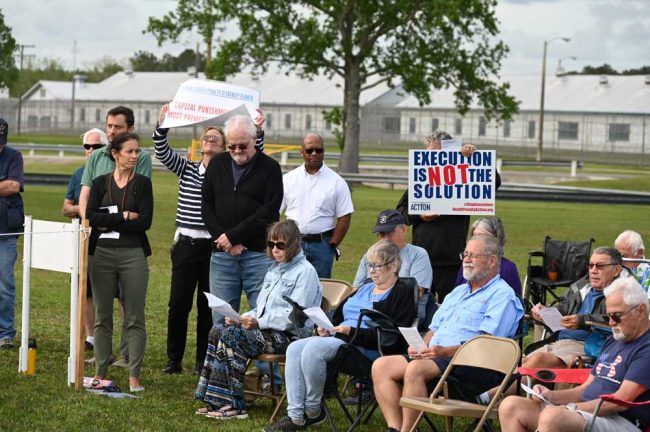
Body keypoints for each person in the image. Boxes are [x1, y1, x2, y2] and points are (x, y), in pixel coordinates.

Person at [372, 235, 524, 432]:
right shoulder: (458, 292)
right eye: (465, 254)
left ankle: (407, 431)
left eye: (473, 255)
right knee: (381, 366)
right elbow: (434, 329)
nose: (466, 260)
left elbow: (486, 345)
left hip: (474, 367)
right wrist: (421, 347)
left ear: (492, 260)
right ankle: (395, 428)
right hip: (437, 358)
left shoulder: (502, 295)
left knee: (416, 369)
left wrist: (443, 352)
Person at [263, 239, 418, 432]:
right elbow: (338, 317)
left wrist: (351, 331)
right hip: (341, 340)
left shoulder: (400, 292)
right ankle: (295, 415)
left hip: (366, 350)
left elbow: (392, 336)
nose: (371, 271)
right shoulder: (364, 288)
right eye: (369, 265)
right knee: (295, 347)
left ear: (394, 265)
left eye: (377, 266)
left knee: (313, 348)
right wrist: (327, 327)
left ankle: (312, 410)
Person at [194, 219, 322, 420]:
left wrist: (258, 323)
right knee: (218, 329)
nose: (275, 250)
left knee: (232, 335)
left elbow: (294, 316)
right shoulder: (274, 270)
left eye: (281, 245)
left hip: (290, 338)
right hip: (266, 332)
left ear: (294, 244)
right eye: (271, 245)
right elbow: (261, 308)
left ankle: (235, 405)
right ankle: (216, 399)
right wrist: (242, 318)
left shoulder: (306, 273)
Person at [498, 277, 650, 432]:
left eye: (616, 316)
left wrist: (570, 408)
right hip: (585, 413)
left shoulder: (646, 347)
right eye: (609, 316)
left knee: (553, 417)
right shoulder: (614, 340)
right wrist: (550, 396)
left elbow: (620, 402)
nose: (610, 323)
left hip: (621, 420)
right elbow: (584, 389)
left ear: (641, 310)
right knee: (511, 406)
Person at [79, 106, 152, 368]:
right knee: (99, 306)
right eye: (109, 126)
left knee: (128, 301)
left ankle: (127, 355)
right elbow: (87, 199)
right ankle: (101, 356)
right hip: (99, 241)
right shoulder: (96, 158)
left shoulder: (138, 159)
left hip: (130, 247)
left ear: (129, 129)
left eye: (117, 127)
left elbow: (140, 208)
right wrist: (88, 225)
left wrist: (110, 216)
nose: (111, 131)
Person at [154, 105, 222, 376]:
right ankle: (174, 360)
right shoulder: (188, 169)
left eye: (215, 137)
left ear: (224, 146)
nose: (209, 139)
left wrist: (259, 131)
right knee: (178, 305)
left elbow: (255, 155)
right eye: (206, 136)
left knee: (207, 307)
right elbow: (162, 151)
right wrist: (163, 123)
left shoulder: (228, 175)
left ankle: (201, 362)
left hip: (213, 249)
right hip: (185, 246)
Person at [396, 130, 501, 303]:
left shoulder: (464, 175)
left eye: (438, 154)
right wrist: (421, 215)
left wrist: (474, 157)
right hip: (422, 257)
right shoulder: (422, 180)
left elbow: (492, 183)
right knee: (417, 306)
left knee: (449, 305)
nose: (432, 158)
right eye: (429, 154)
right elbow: (401, 211)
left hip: (452, 259)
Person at [201, 114, 283, 324]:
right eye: (232, 146)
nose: (237, 151)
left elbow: (269, 212)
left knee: (262, 313)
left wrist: (233, 236)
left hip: (257, 254)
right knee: (221, 316)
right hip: (222, 256)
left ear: (254, 139)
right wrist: (225, 241)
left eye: (242, 146)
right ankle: (224, 357)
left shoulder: (270, 168)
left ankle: (260, 358)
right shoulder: (217, 165)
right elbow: (207, 207)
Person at [524, 247, 621, 369]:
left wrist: (582, 321)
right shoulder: (581, 287)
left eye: (600, 266)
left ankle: (500, 388)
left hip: (587, 346)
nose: (593, 270)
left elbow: (617, 320)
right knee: (523, 362)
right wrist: (545, 312)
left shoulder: (622, 294)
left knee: (536, 361)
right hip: (559, 341)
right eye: (590, 266)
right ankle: (500, 387)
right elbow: (564, 308)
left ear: (616, 270)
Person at [61, 128, 109, 354]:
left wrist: (84, 211)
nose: (91, 150)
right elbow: (65, 208)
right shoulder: (78, 173)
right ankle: (90, 336)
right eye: (87, 146)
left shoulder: (111, 171)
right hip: (84, 236)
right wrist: (86, 211)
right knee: (86, 290)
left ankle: (121, 345)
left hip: (109, 239)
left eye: (96, 147)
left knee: (116, 293)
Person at [281, 133, 353, 278]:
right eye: (309, 150)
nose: (314, 154)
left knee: (320, 290)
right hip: (293, 243)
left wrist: (331, 245)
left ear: (324, 152)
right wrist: (280, 242)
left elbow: (345, 217)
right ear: (301, 152)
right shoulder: (288, 180)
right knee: (290, 288)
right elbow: (274, 211)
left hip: (322, 245)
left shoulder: (337, 182)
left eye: (318, 150)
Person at [353, 209, 432, 324]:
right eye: (381, 234)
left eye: (389, 232)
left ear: (404, 229)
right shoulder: (370, 256)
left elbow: (416, 293)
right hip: (366, 313)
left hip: (401, 316)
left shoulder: (418, 254)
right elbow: (355, 291)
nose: (384, 238)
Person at [0, 118, 24, 350]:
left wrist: (7, 185)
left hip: (6, 231)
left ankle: (6, 332)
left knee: (5, 284)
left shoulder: (13, 156)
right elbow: (5, 186)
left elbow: (13, 187)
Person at [454, 216, 521, 296]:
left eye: (481, 236)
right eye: (474, 236)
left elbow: (515, 301)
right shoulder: (468, 263)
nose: (476, 240)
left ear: (496, 239)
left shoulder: (508, 269)